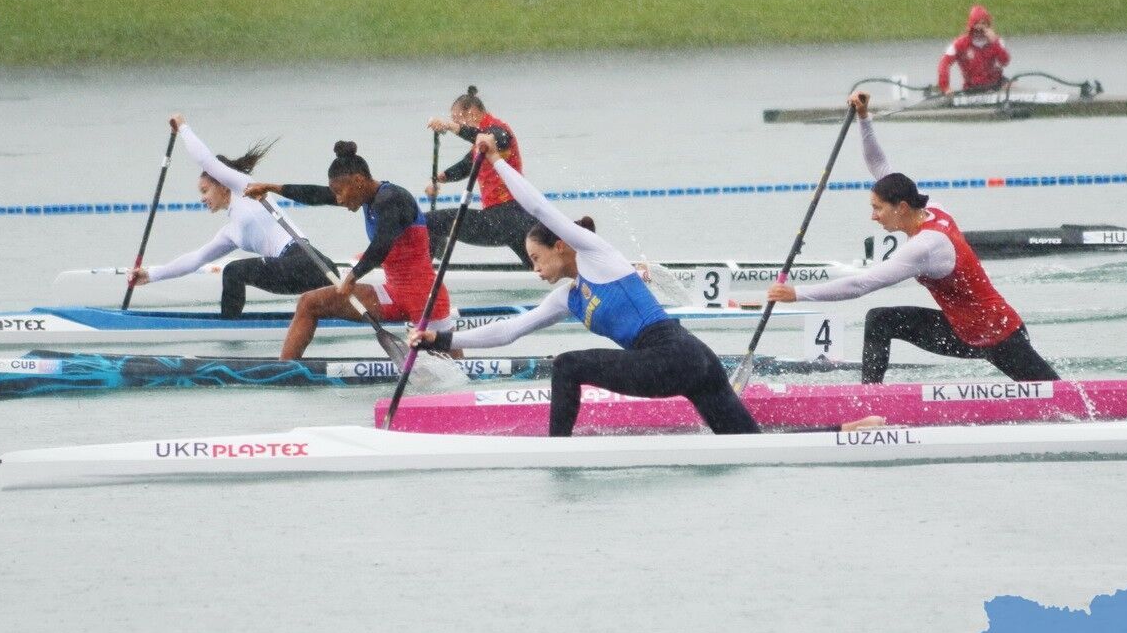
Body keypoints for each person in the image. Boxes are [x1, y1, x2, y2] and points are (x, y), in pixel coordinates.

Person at [408, 132, 764, 438]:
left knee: (567, 365)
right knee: (748, 444)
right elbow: (508, 331)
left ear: (560, 246)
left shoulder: (596, 255)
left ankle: (558, 453)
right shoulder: (567, 297)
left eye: (536, 258)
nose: (535, 269)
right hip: (689, 360)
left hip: (676, 354)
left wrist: (497, 161)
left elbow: (540, 209)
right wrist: (439, 340)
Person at [767, 92, 1060, 385]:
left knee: (1058, 396)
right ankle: (872, 400)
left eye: (877, 209)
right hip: (960, 331)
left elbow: (862, 284)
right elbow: (879, 165)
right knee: (881, 320)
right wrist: (864, 117)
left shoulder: (925, 246)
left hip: (997, 333)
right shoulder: (930, 207)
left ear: (902, 208)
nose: (874, 216)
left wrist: (798, 294)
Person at [246, 141, 454, 360]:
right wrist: (271, 188)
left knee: (453, 368)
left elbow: (382, 244)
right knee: (309, 303)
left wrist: (352, 277)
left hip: (426, 299)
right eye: (335, 193)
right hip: (392, 295)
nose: (339, 199)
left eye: (340, 192)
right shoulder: (364, 196)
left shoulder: (393, 198)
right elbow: (316, 195)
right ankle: (284, 369)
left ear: (358, 181)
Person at [126, 115, 328, 317]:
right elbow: (196, 259)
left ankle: (228, 328)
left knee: (233, 271)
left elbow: (206, 160)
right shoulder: (231, 233)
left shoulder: (244, 187)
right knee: (234, 271)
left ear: (223, 185)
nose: (202, 198)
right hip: (294, 272)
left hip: (310, 262)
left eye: (204, 190)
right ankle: (232, 324)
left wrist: (182, 127)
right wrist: (151, 274)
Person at [424, 86, 535, 265]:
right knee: (536, 267)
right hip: (507, 218)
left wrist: (449, 126)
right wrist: (437, 179)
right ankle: (434, 261)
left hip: (507, 216)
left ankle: (423, 271)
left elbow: (498, 140)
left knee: (429, 221)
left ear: (473, 112)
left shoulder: (498, 130)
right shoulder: (481, 141)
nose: (456, 124)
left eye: (457, 119)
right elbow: (466, 166)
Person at [937, 5, 1010, 94]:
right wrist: (945, 87)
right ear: (971, 25)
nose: (980, 28)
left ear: (988, 26)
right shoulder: (960, 44)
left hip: (996, 85)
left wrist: (995, 43)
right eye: (977, 24)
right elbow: (944, 63)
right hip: (973, 87)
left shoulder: (997, 41)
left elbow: (1004, 62)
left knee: (1011, 86)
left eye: (983, 24)